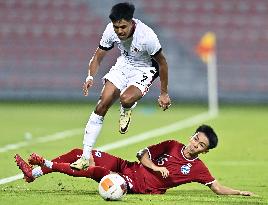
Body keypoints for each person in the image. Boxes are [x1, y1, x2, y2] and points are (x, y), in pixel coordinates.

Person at [15, 125, 253, 196]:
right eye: (196, 139)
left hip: (134, 185)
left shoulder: (198, 168)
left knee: (94, 170)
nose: (195, 144)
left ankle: (44, 165)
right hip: (126, 167)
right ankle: (34, 174)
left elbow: (217, 188)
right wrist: (155, 167)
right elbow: (142, 153)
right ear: (192, 136)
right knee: (81, 152)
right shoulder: (172, 145)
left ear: (205, 151)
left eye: (201, 145)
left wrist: (240, 193)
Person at [70, 2, 171, 170]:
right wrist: (90, 76)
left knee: (125, 98)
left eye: (123, 27)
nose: (119, 31)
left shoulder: (147, 36)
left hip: (144, 68)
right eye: (116, 27)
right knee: (102, 105)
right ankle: (85, 157)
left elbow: (163, 64)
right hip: (123, 65)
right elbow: (98, 56)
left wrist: (164, 93)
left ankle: (127, 107)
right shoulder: (110, 30)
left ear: (132, 22)